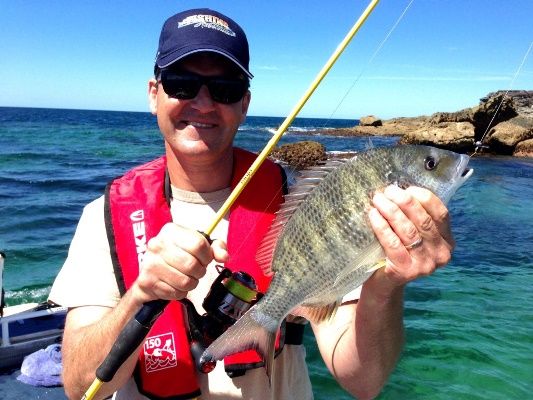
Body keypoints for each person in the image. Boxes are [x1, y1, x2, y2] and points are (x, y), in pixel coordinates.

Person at [49, 8, 455, 400]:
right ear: (154, 94)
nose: (204, 103)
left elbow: (363, 381)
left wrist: (388, 285)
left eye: (224, 89)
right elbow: (80, 385)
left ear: (244, 104)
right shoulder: (100, 217)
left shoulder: (298, 205)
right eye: (181, 83)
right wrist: (140, 294)